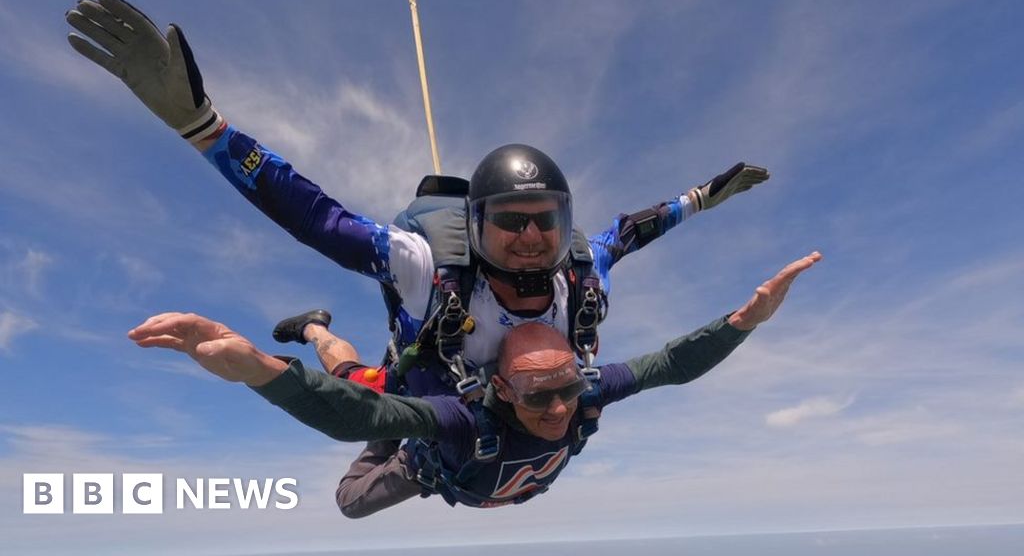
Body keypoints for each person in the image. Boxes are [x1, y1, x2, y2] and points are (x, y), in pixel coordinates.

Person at [66, 0, 771, 386]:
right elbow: (318, 218)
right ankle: (313, 326)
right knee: (351, 384)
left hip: (496, 398)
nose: (531, 238)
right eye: (510, 222)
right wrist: (207, 130)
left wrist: (705, 196)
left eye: (545, 221)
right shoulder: (427, 267)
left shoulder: (581, 273)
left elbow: (637, 229)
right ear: (477, 223)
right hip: (422, 381)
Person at [128, 251, 822, 515]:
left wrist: (742, 324)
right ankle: (314, 325)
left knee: (376, 399)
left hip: (435, 434)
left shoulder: (584, 387)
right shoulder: (463, 418)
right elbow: (347, 416)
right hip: (421, 439)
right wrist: (261, 372)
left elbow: (668, 366)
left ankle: (387, 408)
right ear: (499, 389)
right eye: (537, 395)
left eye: (564, 391)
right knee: (352, 476)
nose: (557, 408)